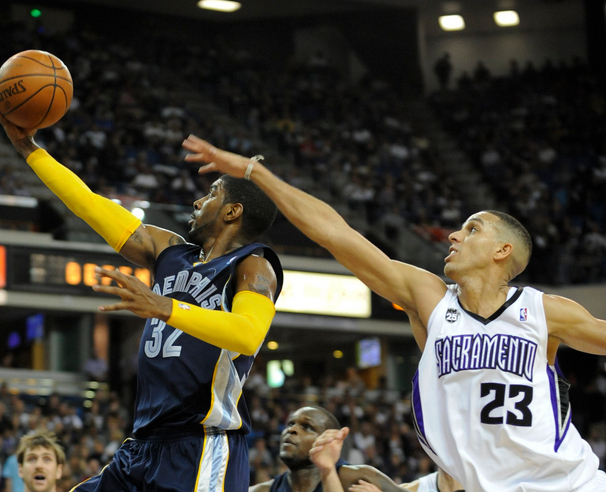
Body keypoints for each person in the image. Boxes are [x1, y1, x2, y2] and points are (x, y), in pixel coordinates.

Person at [182, 135, 606, 492]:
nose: (454, 235)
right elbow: (336, 234)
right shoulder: (432, 300)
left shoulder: (543, 311)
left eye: (473, 228)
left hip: (571, 484)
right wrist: (255, 173)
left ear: (502, 251)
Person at [0, 89, 284, 491]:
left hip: (201, 446)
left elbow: (248, 335)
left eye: (213, 194)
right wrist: (29, 149)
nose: (199, 200)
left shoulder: (254, 265)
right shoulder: (169, 251)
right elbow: (89, 204)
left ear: (233, 212)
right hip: (143, 445)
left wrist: (165, 307)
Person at [249, 406, 406, 492]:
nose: (292, 430)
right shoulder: (263, 490)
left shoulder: (358, 477)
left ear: (329, 439)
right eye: (290, 424)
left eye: (307, 426)